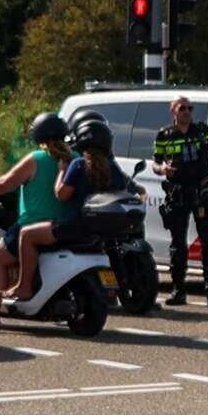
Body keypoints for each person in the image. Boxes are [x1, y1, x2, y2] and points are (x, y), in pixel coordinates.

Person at [0, 112, 69, 329]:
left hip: (32, 223)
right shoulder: (74, 157)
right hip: (64, 225)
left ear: (38, 135)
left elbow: (5, 183)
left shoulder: (36, 159)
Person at [57, 114, 142, 311]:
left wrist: (61, 171)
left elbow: (62, 195)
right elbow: (122, 190)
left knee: (34, 239)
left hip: (78, 227)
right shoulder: (112, 167)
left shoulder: (78, 165)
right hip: (106, 231)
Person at [148, 97, 208, 307]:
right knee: (178, 244)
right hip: (178, 193)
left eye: (190, 108)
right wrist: (163, 169)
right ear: (173, 110)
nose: (187, 111)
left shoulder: (202, 131)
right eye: (182, 108)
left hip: (201, 192)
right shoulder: (164, 135)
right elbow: (155, 163)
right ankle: (178, 291)